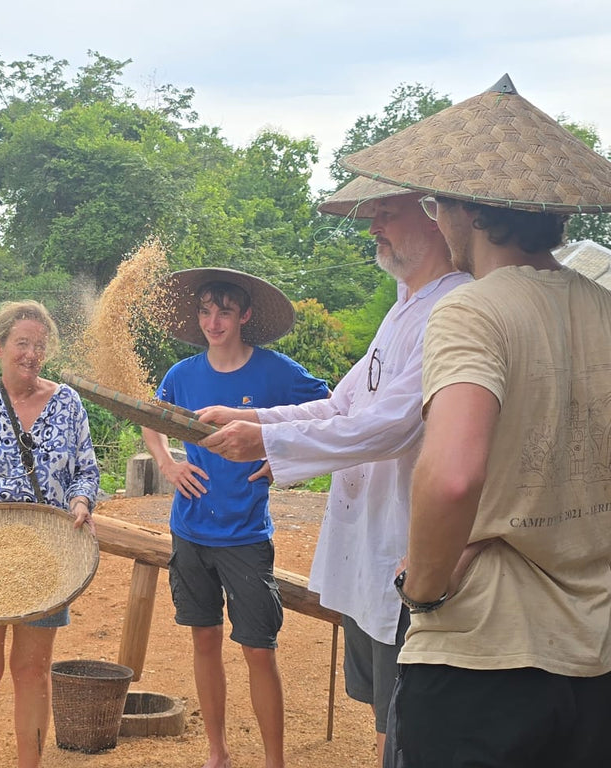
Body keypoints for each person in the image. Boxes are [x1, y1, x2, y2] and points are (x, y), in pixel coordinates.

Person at [342, 74, 611, 767]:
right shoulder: (603, 308)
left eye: (435, 205)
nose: (434, 220)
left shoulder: (471, 310)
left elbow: (453, 476)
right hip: (597, 662)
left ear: (465, 209)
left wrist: (424, 588)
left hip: (484, 660)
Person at [199, 176, 470, 766]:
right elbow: (342, 405)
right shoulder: (404, 309)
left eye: (387, 212)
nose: (374, 226)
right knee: (384, 709)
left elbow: (397, 423)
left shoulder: (454, 306)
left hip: (405, 541)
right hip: (373, 536)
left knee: (404, 714)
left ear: (434, 218)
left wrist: (269, 440)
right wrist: (252, 418)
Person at [142, 268, 328, 768]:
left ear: (245, 315)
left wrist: (282, 457)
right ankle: (218, 753)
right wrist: (168, 464)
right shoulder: (182, 375)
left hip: (245, 534)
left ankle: (274, 761)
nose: (213, 320)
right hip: (190, 530)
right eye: (205, 310)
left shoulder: (276, 372)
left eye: (224, 310)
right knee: (204, 639)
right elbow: (150, 418)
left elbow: (331, 409)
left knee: (257, 649)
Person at [0, 299, 100, 768]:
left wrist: (80, 502)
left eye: (39, 345)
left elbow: (86, 472)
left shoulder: (67, 403)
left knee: (33, 671)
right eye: (21, 343)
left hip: (45, 551)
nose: (31, 353)